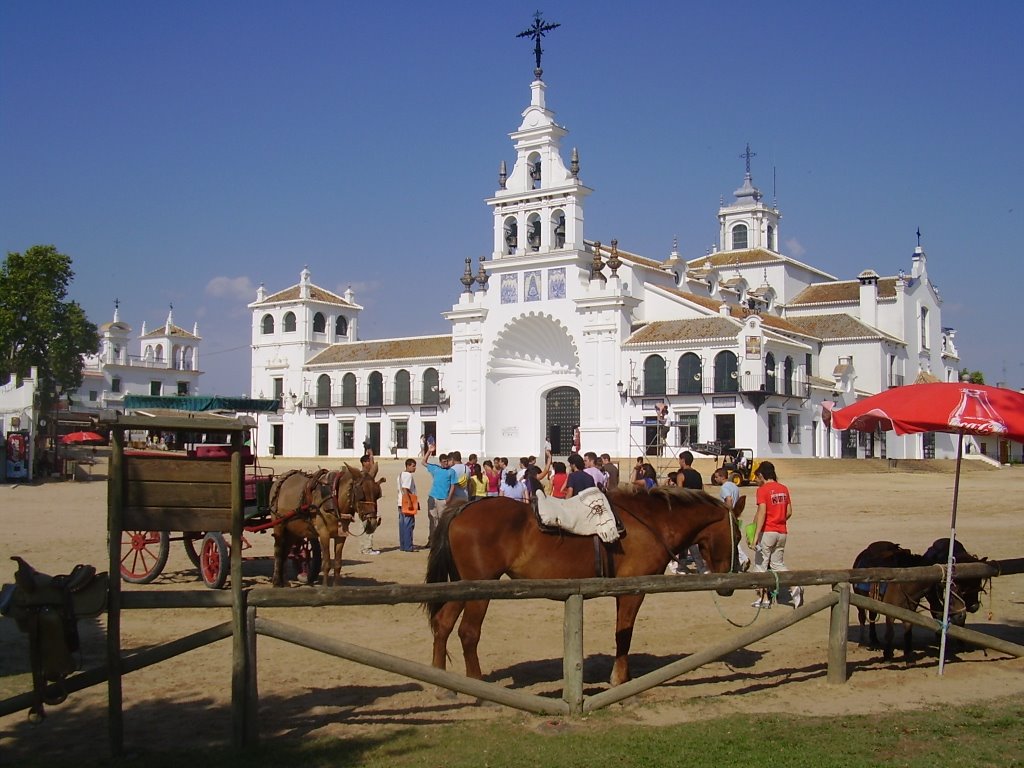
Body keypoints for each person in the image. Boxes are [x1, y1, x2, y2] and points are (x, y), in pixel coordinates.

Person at [751, 461, 802, 608]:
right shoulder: (783, 488)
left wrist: (755, 537)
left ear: (761, 475)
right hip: (782, 531)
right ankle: (793, 585)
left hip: (768, 531)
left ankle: (764, 599)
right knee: (777, 564)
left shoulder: (763, 490)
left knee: (760, 567)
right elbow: (789, 512)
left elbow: (762, 513)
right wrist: (779, 519)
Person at [712, 467, 749, 572]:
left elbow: (729, 499)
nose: (715, 479)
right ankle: (739, 561)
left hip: (729, 515)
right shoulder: (734, 486)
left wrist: (728, 511)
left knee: (730, 540)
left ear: (722, 476)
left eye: (716, 477)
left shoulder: (724, 488)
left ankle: (743, 558)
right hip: (735, 515)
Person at [422, 447, 455, 548]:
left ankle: (442, 542)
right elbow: (423, 462)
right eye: (444, 461)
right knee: (432, 519)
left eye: (446, 461)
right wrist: (429, 451)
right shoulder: (435, 468)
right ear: (440, 462)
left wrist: (449, 498)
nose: (445, 463)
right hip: (433, 497)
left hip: (443, 499)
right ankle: (431, 540)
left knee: (442, 521)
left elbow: (453, 485)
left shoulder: (451, 471)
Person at [360, 450, 381, 555]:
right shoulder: (366, 476)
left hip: (364, 505)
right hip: (367, 505)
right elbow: (375, 469)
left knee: (364, 525)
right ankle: (367, 548)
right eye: (368, 461)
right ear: (364, 463)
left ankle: (364, 547)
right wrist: (372, 456)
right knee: (369, 525)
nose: (370, 463)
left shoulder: (362, 475)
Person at [397, 458, 418, 552]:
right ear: (408, 465)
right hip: (406, 502)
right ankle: (408, 546)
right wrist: (410, 502)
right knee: (408, 524)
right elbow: (405, 489)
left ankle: (403, 545)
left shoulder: (400, 475)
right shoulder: (408, 475)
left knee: (402, 524)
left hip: (400, 501)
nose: (415, 468)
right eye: (413, 466)